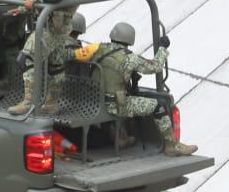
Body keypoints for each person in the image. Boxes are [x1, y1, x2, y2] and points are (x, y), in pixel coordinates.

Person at [73, 22, 198, 156]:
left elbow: (78, 56)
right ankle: (171, 145)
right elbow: (155, 67)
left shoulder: (97, 49)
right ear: (130, 39)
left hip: (94, 102)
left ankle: (120, 138)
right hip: (115, 106)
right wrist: (162, 48)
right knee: (159, 106)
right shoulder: (130, 59)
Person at [9, 0, 81, 116]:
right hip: (60, 26)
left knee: (26, 59)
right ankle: (51, 103)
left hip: (51, 26)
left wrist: (35, 3)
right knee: (56, 65)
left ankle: (28, 102)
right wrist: (24, 6)